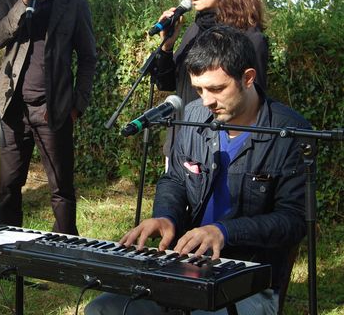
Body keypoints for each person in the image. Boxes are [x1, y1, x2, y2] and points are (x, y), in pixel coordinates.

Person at [85, 25, 311, 315]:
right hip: (184, 267)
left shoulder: (290, 131)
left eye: (217, 89)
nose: (206, 101)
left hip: (252, 280)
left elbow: (293, 221)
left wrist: (224, 232)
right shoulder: (193, 115)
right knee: (104, 309)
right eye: (199, 89)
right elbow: (175, 179)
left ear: (248, 78)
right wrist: (165, 216)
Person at [0, 0, 97, 235]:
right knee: (9, 185)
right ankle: (6, 248)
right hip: (12, 106)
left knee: (61, 187)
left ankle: (65, 250)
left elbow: (89, 58)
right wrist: (23, 4)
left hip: (54, 109)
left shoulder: (74, 2)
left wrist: (77, 104)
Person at [153, 0, 268, 156]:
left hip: (220, 150)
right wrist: (166, 47)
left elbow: (254, 105)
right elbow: (169, 84)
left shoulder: (250, 38)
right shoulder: (195, 30)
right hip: (181, 140)